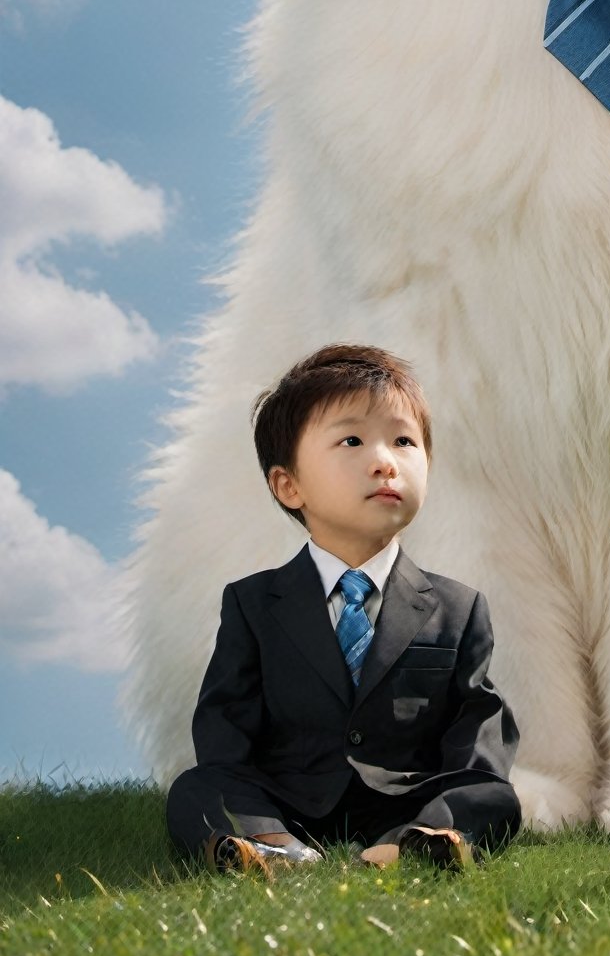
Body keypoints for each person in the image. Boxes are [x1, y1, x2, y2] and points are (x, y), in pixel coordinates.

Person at [166, 344, 521, 874]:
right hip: (288, 794)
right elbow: (225, 716)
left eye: (404, 441)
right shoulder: (253, 601)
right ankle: (267, 845)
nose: (385, 461)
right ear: (289, 485)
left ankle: (416, 844)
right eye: (352, 440)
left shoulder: (457, 606)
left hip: (407, 797)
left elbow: (478, 721)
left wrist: (468, 790)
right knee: (198, 787)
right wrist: (241, 791)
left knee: (493, 795)